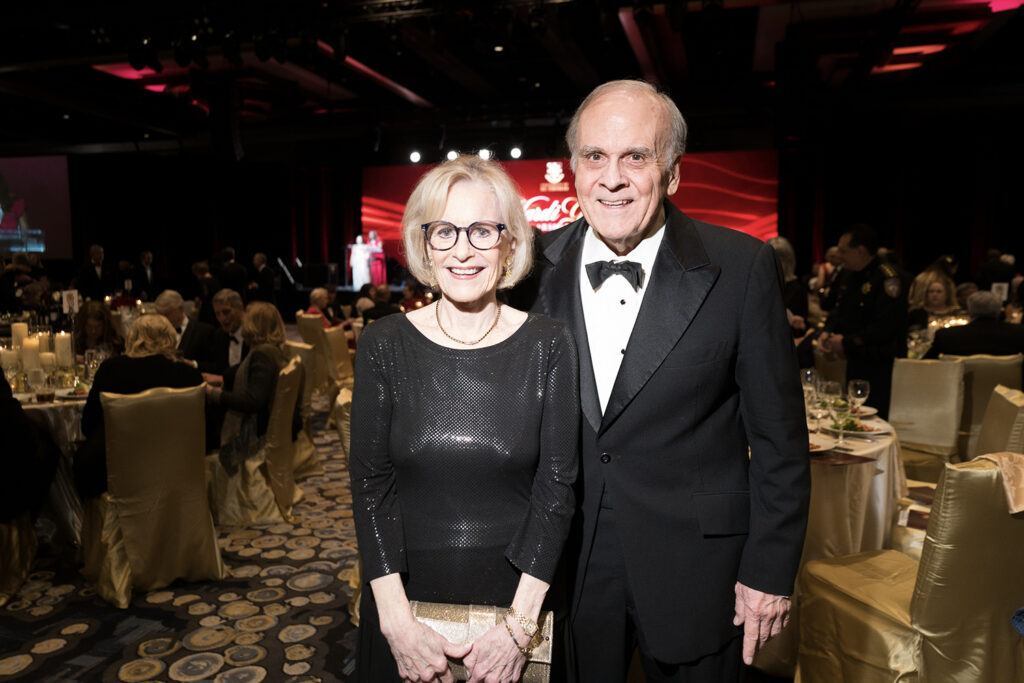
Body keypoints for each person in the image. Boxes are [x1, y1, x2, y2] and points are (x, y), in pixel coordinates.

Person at [510, 79, 809, 682]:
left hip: (701, 569)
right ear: (572, 170)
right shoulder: (530, 269)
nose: (611, 177)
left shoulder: (742, 267)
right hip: (568, 566)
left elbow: (780, 441)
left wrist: (769, 572)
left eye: (635, 157)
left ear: (671, 173)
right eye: (594, 157)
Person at [350, 155, 579, 683]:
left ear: (511, 243)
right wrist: (394, 620)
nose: (462, 249)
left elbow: (557, 489)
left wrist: (520, 629)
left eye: (482, 230)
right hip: (402, 606)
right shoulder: (383, 344)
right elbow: (370, 485)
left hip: (515, 607)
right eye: (445, 231)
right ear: (423, 242)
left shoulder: (549, 344)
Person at [73, 315, 203, 498]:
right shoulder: (190, 375)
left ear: (132, 338)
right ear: (171, 339)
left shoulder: (112, 370)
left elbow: (88, 424)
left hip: (118, 470)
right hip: (176, 467)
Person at [819, 224, 907, 418]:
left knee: (874, 416)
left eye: (844, 251)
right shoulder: (849, 275)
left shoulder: (887, 278)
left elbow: (884, 327)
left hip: (880, 360)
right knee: (856, 412)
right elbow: (840, 310)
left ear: (860, 251)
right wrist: (828, 330)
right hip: (855, 357)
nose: (839, 256)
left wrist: (845, 342)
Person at [207, 301, 294, 472]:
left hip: (253, 436)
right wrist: (223, 382)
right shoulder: (270, 350)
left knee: (203, 426)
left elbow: (253, 401)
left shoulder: (263, 354)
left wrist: (213, 394)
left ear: (253, 324)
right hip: (262, 426)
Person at [925, 291, 1024, 371]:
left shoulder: (947, 336)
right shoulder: (1019, 333)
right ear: (999, 311)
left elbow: (926, 365)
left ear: (970, 310)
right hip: (1008, 392)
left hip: (958, 391)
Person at [154, 289, 215, 367]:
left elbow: (215, 365)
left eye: (166, 314)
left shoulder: (204, 331)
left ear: (180, 309)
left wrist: (193, 364)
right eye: (160, 316)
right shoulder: (158, 333)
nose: (163, 320)